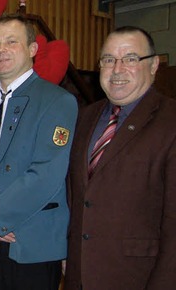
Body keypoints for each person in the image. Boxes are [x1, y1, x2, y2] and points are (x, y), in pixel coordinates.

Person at [65, 26, 176, 290]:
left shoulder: (171, 121)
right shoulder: (85, 118)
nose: (117, 69)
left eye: (130, 59)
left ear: (153, 66)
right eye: (108, 60)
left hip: (137, 277)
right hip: (80, 274)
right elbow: (76, 194)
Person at [0, 14, 77, 290]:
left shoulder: (58, 101)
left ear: (33, 50)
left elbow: (46, 174)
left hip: (32, 242)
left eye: (11, 42)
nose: (1, 50)